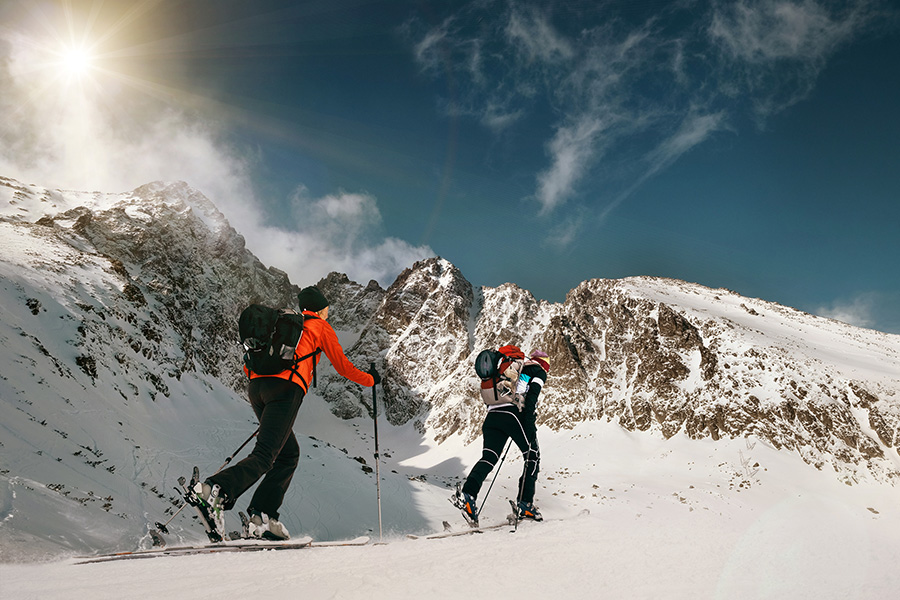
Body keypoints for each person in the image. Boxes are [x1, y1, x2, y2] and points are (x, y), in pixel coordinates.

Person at [192, 285, 380, 540]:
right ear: (321, 308)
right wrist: (371, 380)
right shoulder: (318, 327)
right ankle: (214, 490)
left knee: (288, 454)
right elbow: (343, 366)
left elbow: (252, 364)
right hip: (285, 390)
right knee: (265, 455)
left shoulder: (285, 326)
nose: (328, 313)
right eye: (326, 309)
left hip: (257, 388)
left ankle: (262, 517)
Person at [455, 348, 549, 524]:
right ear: (544, 362)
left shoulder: (511, 369)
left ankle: (468, 495)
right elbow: (531, 398)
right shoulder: (537, 371)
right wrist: (529, 424)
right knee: (532, 456)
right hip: (512, 415)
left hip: (492, 417)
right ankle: (525, 504)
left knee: (489, 457)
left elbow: (511, 391)